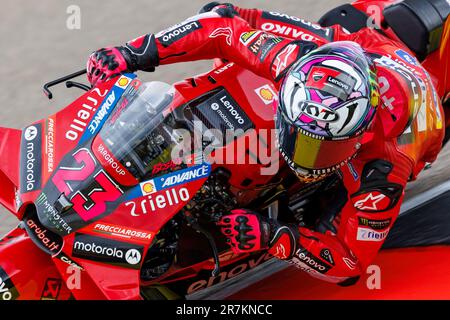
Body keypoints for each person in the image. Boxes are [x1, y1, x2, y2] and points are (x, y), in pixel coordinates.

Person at [86, 2, 447, 285]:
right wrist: (133, 54)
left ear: (359, 135)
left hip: (416, 111)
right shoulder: (294, 61)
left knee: (324, 219)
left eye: (323, 146)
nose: (305, 155)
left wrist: (275, 236)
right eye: (301, 136)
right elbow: (222, 29)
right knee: (221, 11)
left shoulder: (384, 165)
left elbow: (350, 264)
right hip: (358, 45)